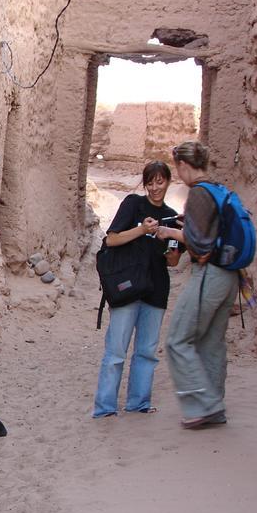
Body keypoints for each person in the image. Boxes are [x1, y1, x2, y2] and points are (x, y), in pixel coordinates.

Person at [156, 140, 239, 429]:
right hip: (231, 277)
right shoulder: (220, 189)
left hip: (210, 274)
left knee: (177, 339)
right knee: (212, 342)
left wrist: (171, 231)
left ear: (182, 165)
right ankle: (215, 405)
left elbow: (200, 246)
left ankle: (203, 406)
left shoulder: (199, 193)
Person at [92, 160, 182, 418]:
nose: (155, 188)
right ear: (145, 184)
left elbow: (173, 261)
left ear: (167, 182)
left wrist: (172, 239)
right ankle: (105, 407)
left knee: (146, 352)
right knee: (116, 351)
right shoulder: (133, 204)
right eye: (150, 182)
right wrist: (142, 229)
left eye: (160, 182)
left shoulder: (172, 216)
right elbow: (112, 238)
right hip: (127, 288)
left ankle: (138, 403)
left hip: (155, 291)